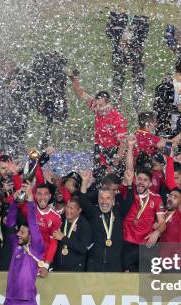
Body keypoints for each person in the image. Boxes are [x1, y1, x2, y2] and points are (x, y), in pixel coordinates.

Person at [71, 75, 127, 181]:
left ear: (109, 104)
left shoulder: (117, 119)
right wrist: (75, 79)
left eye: (101, 106)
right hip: (99, 149)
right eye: (96, 105)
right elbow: (81, 93)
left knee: (112, 181)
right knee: (98, 178)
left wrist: (114, 165)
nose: (98, 109)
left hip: (113, 152)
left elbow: (123, 144)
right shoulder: (97, 108)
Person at [122, 139, 166, 272]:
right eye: (139, 179)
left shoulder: (156, 199)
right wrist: (130, 146)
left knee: (145, 281)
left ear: (150, 183)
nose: (141, 182)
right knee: (126, 278)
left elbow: (162, 222)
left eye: (145, 180)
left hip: (146, 245)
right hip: (127, 242)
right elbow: (129, 169)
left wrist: (157, 232)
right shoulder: (129, 191)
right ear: (135, 179)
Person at [79, 170, 133, 272]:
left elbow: (129, 201)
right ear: (98, 200)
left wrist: (130, 184)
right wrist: (84, 182)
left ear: (113, 201)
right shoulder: (94, 213)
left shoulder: (118, 214)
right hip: (95, 263)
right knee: (93, 288)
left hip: (114, 263)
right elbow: (82, 200)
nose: (104, 202)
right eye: (101, 198)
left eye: (108, 198)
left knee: (113, 288)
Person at [105, 11, 149, 111]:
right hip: (119, 52)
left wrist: (131, 43)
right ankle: (116, 104)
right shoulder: (116, 12)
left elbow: (144, 33)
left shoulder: (141, 14)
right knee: (118, 78)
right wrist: (119, 39)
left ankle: (137, 105)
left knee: (139, 78)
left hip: (135, 52)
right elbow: (108, 30)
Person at [153, 59, 181, 137]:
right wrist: (174, 108)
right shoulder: (165, 86)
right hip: (166, 127)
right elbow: (157, 106)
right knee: (167, 148)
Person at [52, 197, 92, 271]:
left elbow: (83, 249)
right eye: (67, 206)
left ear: (79, 210)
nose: (68, 210)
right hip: (58, 267)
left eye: (71, 208)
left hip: (75, 269)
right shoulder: (61, 219)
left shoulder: (84, 225)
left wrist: (64, 238)